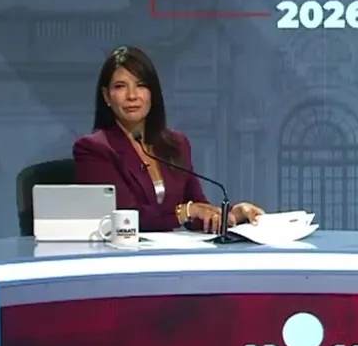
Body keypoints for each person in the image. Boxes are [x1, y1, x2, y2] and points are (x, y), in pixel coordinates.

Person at [74, 46, 264, 232]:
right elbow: (123, 215)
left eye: (141, 85)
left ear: (152, 93)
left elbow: (198, 209)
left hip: (167, 251)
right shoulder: (93, 148)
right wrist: (183, 213)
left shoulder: (176, 144)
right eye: (120, 86)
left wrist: (231, 215)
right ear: (107, 96)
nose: (132, 96)